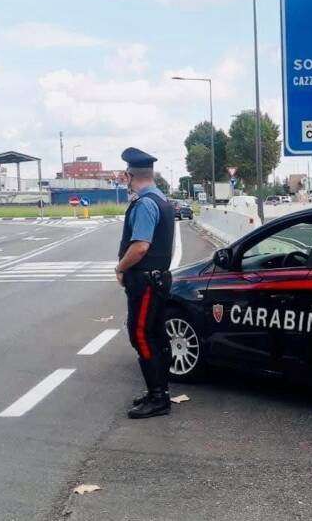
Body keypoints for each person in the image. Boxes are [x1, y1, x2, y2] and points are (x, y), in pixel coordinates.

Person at [115, 147, 176, 419]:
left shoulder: (144, 204)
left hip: (145, 281)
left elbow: (140, 246)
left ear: (129, 175)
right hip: (160, 279)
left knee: (140, 334)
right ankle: (159, 390)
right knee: (157, 335)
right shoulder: (163, 200)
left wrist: (120, 267)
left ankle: (158, 398)